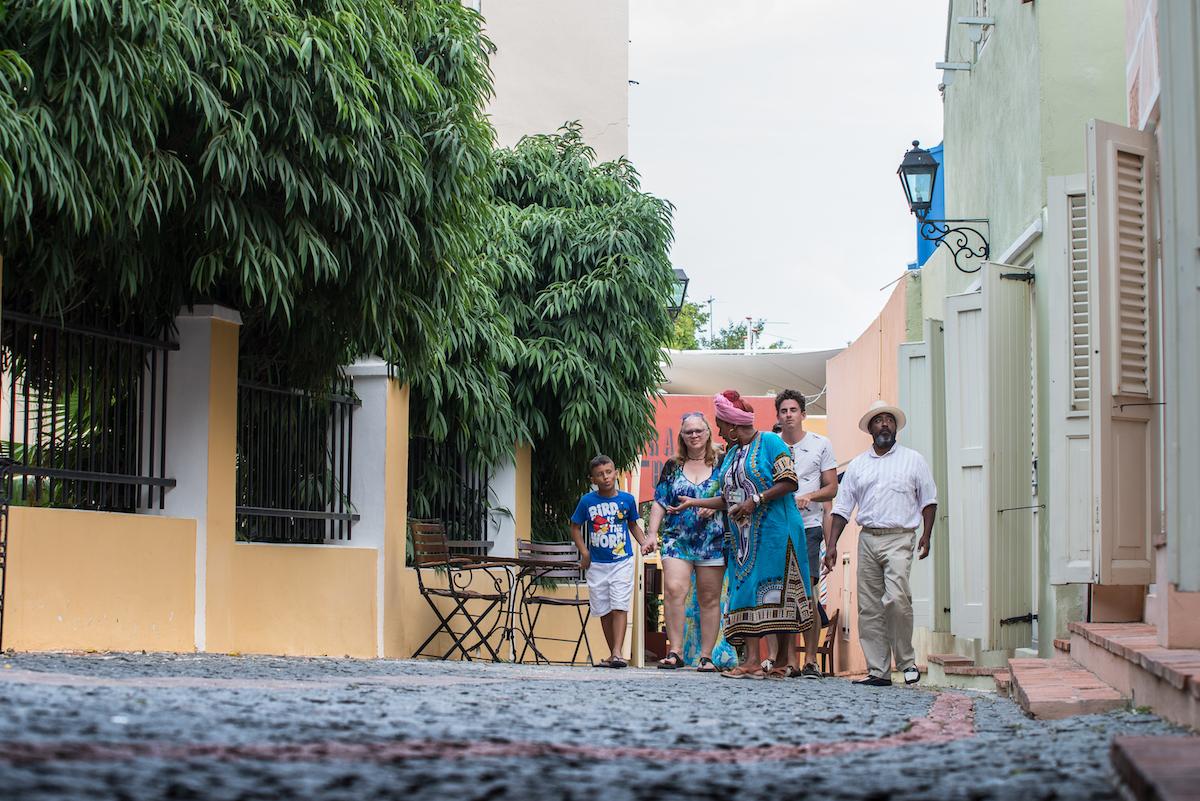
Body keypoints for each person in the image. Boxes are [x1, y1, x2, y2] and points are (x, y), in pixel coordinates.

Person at [670, 390, 812, 679]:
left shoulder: (771, 443)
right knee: (745, 592)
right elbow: (727, 498)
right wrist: (694, 502)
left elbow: (789, 481)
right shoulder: (732, 454)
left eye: (721, 425)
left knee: (778, 594)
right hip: (743, 540)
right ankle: (751, 661)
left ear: (733, 426)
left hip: (777, 532)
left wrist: (755, 501)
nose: (719, 431)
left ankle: (783, 663)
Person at [824, 400, 937, 687]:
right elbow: (842, 508)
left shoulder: (914, 459)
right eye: (879, 420)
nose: (885, 423)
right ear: (871, 429)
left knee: (898, 600)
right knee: (870, 606)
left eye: (889, 419)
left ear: (896, 427)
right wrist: (832, 545)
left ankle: (907, 662)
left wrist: (927, 534)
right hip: (868, 538)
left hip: (900, 537)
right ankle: (878, 671)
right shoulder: (859, 465)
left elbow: (929, 500)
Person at [646, 412, 728, 672]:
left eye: (699, 431)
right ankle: (675, 651)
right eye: (689, 431)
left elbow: (733, 497)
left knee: (709, 597)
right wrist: (651, 534)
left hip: (711, 539)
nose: (694, 435)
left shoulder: (722, 462)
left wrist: (713, 508)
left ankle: (706, 656)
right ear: (682, 435)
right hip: (677, 539)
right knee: (673, 591)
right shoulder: (672, 465)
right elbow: (660, 501)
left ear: (708, 433)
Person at [569, 455, 657, 668]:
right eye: (600, 474)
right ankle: (613, 654)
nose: (605, 477)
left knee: (619, 604)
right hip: (597, 564)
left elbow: (633, 524)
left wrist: (644, 542)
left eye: (609, 472)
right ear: (593, 479)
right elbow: (574, 526)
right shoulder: (587, 501)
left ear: (616, 472)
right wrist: (584, 552)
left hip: (622, 561)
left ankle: (618, 652)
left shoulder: (626, 500)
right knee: (604, 610)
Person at [775, 389, 838, 679]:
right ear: (778, 415)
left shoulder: (820, 444)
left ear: (803, 414)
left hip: (809, 527)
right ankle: (790, 662)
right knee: (781, 597)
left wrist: (809, 495)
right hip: (776, 527)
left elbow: (832, 488)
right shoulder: (770, 444)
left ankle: (811, 660)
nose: (788, 415)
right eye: (783, 410)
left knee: (809, 595)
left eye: (793, 410)